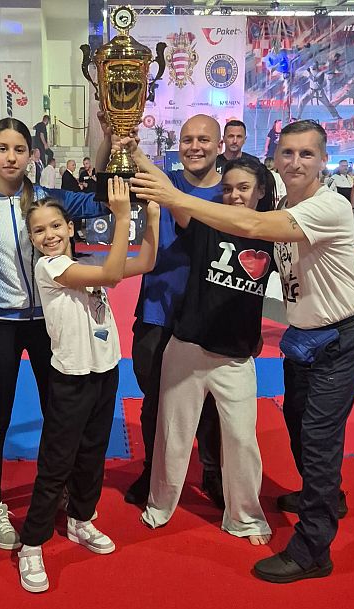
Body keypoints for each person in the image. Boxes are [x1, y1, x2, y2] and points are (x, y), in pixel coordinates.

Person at [131, 120, 354, 584]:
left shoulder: (317, 209)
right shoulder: (275, 211)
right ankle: (324, 496)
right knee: (296, 429)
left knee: (307, 440)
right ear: (276, 160)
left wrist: (182, 198)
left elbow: (253, 224)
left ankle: (311, 547)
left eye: (307, 154)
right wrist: (132, 148)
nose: (295, 162)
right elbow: (202, 208)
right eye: (288, 153)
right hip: (293, 337)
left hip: (333, 337)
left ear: (323, 160)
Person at [0, 117, 106, 551]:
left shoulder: (47, 200)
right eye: (2, 149)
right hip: (1, 325)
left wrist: (108, 141)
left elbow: (98, 200)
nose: (11, 157)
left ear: (31, 154)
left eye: (19, 149)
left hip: (49, 323)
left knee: (59, 415)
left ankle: (59, 488)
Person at [16, 182, 159, 593]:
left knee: (93, 452)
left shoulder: (85, 263)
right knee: (57, 462)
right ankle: (32, 543)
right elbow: (113, 274)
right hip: (71, 377)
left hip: (105, 370)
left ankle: (80, 518)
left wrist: (151, 217)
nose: (49, 235)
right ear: (32, 238)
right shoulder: (50, 268)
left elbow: (146, 261)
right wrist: (122, 216)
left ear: (70, 227)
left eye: (55, 225)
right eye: (39, 230)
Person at [132, 153, 276, 545]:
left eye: (243, 188)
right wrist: (133, 149)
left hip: (235, 356)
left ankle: (245, 516)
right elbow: (168, 190)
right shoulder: (205, 222)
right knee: (173, 435)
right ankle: (160, 504)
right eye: (227, 189)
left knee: (242, 440)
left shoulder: (274, 234)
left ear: (260, 191)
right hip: (187, 346)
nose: (234, 196)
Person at [119, 114, 226, 509]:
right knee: (154, 400)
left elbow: (190, 220)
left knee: (211, 403)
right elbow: (114, 176)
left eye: (203, 139)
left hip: (211, 314)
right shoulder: (162, 182)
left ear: (219, 146)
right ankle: (153, 469)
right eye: (187, 139)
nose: (195, 146)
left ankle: (213, 472)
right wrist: (123, 142)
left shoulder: (233, 191)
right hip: (157, 309)